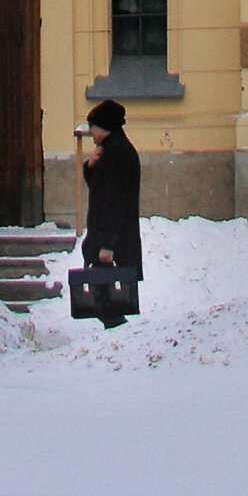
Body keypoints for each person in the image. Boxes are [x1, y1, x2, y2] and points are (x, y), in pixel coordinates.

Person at [73, 93, 145, 327]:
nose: (90, 132)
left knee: (106, 300)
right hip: (109, 237)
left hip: (112, 240)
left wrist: (107, 245)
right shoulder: (111, 150)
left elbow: (115, 202)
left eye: (93, 127)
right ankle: (117, 337)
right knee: (103, 297)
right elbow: (102, 188)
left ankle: (120, 340)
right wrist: (91, 166)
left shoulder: (118, 153)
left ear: (104, 126)